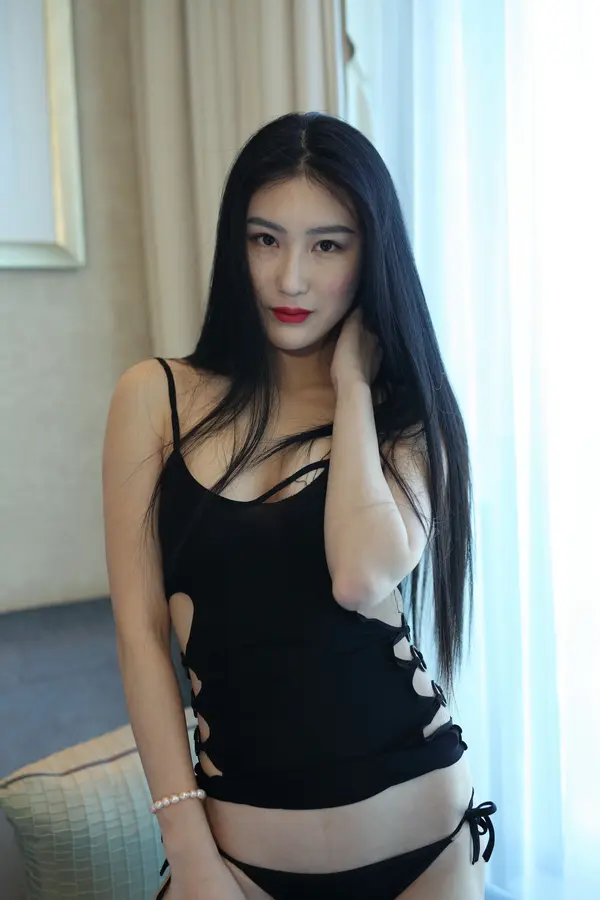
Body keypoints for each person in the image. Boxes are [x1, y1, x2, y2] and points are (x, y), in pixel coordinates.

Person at [102, 111, 496, 900]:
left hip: (426, 851)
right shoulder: (156, 399)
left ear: (370, 254)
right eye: (265, 239)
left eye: (327, 245)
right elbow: (142, 635)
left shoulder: (404, 417)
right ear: (235, 245)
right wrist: (191, 853)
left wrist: (352, 387)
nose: (290, 278)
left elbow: (360, 575)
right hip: (240, 865)